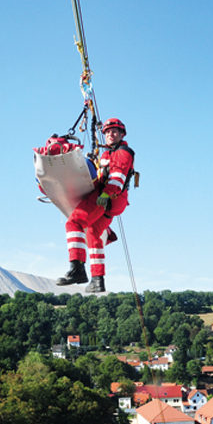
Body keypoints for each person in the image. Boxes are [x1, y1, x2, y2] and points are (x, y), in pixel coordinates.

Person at [56, 118, 134, 293]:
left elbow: (118, 176)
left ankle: (77, 269)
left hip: (108, 196)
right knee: (93, 235)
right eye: (107, 132)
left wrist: (106, 194)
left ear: (122, 134)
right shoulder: (107, 154)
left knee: (73, 223)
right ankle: (98, 280)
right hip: (115, 201)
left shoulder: (123, 152)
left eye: (114, 132)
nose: (110, 135)